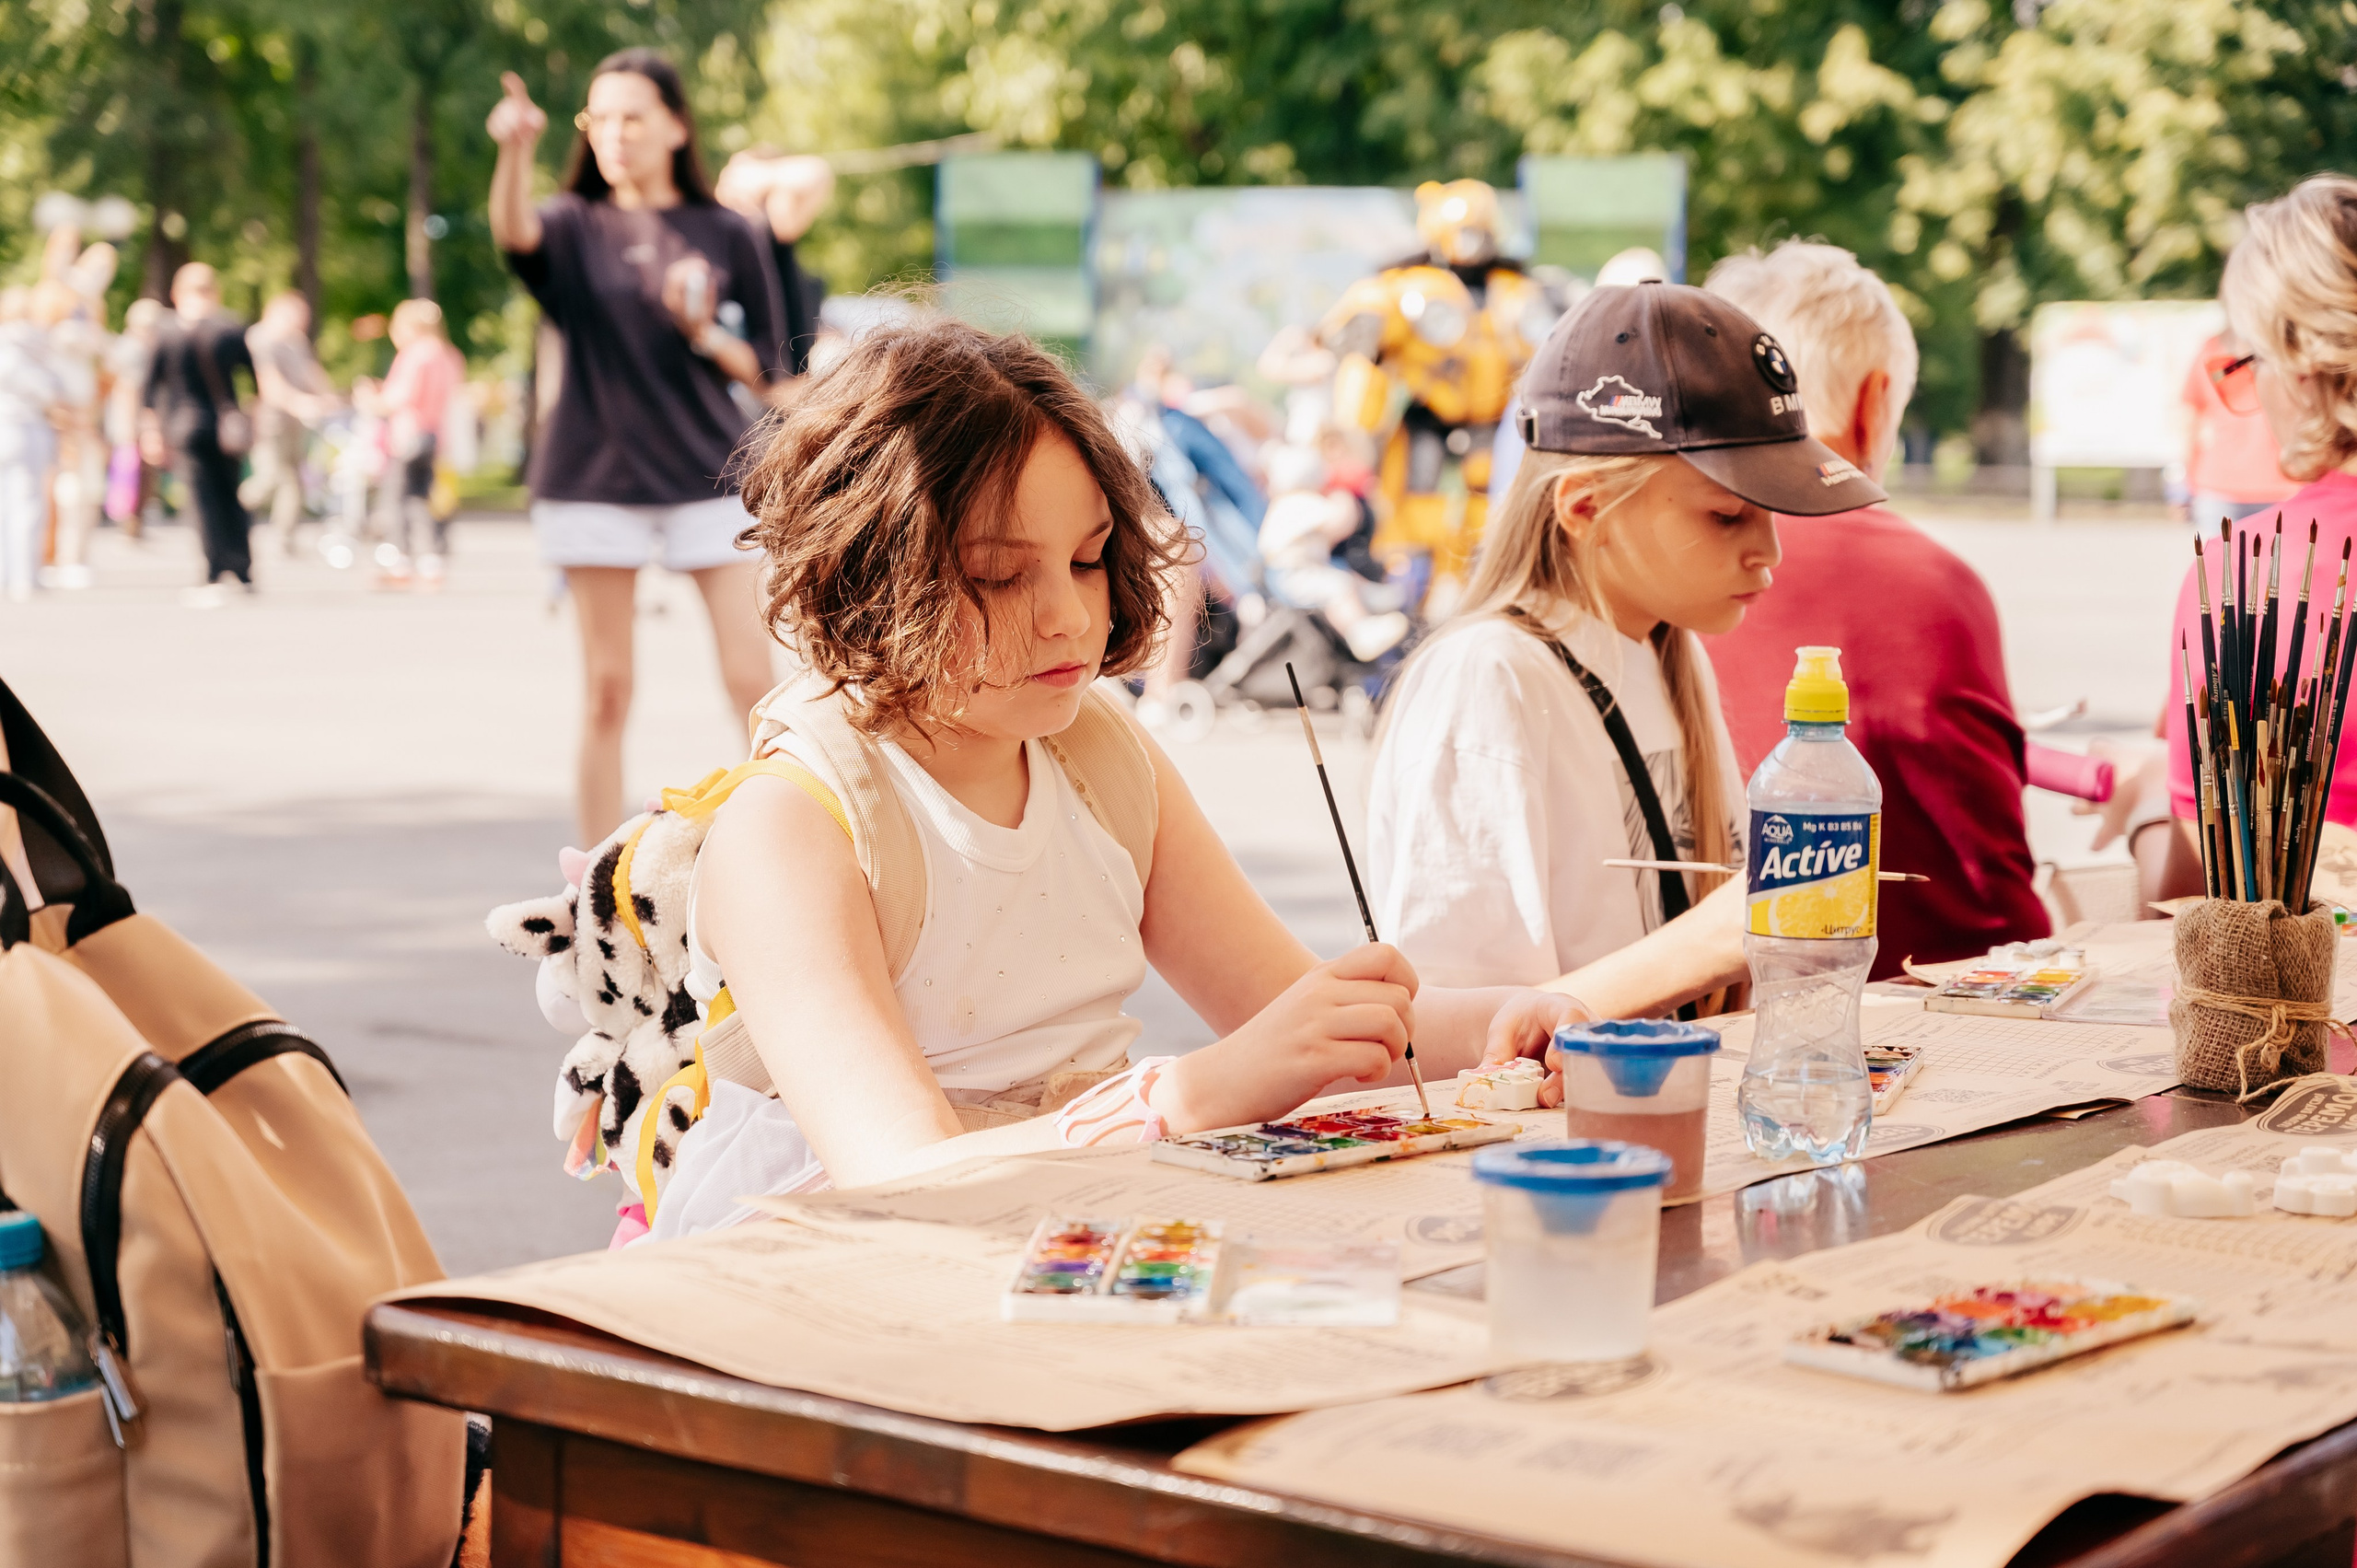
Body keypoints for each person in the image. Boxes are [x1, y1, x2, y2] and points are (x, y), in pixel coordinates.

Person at [640, 319, 1585, 1238]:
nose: (1067, 616)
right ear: (869, 573)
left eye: (1089, 558)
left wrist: (1502, 1021)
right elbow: (898, 1179)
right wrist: (1189, 1092)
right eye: (997, 574)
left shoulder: (1101, 751)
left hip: (1073, 1225)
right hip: (834, 1270)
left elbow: (1294, 1014)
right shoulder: (791, 825)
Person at [1365, 281, 1886, 1017]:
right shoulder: (1487, 679)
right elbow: (1450, 1042)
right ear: (1584, 507)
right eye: (1728, 514)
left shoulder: (1667, 646)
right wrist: (1715, 939)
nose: (1768, 552)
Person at [1701, 240, 2049, 974]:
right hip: (1933, 991)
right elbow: (1988, 889)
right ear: (1876, 400)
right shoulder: (1938, 583)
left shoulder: (1669, 575)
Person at [487, 53, 788, 845]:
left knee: (755, 682)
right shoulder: (570, 223)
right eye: (600, 120)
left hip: (709, 476)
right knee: (607, 690)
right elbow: (513, 232)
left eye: (633, 117)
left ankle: (783, 849)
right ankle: (588, 878)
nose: (614, 135)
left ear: (676, 126)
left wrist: (707, 334)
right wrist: (514, 149)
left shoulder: (727, 231)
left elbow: (770, 366)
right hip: (593, 479)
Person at [2165, 175, 2357, 853]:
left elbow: (2211, 882)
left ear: (2302, 364)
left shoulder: (2240, 574)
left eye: (2252, 362)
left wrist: (2140, 815)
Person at [141, 262, 257, 600]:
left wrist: (151, 431)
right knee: (231, 495)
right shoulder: (230, 328)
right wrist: (252, 420)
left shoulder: (166, 331)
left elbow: (148, 388)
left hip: (184, 425)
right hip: (226, 428)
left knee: (202, 500)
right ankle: (242, 567)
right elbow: (254, 379)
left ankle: (213, 569)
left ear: (177, 293)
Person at [1258, 444, 1410, 661]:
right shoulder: (1299, 502)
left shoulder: (1285, 503)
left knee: (1342, 574)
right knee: (1338, 587)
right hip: (1291, 575)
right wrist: (1344, 499)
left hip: (1293, 571)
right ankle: (1359, 632)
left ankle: (1372, 597)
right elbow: (1339, 521)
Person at [361, 297, 466, 587]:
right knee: (422, 498)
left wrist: (373, 400)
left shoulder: (414, 355)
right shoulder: (448, 355)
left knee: (397, 498)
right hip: (434, 434)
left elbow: (400, 397)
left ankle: (400, 561)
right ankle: (431, 559)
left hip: (408, 434)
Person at [714, 147, 833, 377]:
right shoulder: (713, 235)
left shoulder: (767, 230)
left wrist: (761, 177)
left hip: (780, 385)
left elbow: (818, 172)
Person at [243, 290, 339, 557]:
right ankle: (230, 509)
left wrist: (328, 397)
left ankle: (285, 536)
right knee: (269, 476)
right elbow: (270, 384)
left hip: (296, 421)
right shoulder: (261, 338)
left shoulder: (295, 340)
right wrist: (299, 403)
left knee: (293, 480)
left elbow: (310, 372)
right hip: (272, 419)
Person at [2181, 330, 2296, 534]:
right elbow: (2190, 416)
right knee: (2220, 563)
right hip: (2221, 488)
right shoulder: (2212, 348)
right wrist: (2184, 477)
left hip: (2286, 486)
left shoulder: (2293, 345)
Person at [0, 288, 63, 603]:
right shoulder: (35, 343)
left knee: (6, 504)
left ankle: (7, 572)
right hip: (27, 425)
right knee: (28, 502)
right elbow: (51, 388)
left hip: (7, 424)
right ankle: (25, 574)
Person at [103, 297, 163, 540]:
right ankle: (131, 521)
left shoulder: (125, 346)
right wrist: (136, 424)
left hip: (127, 416)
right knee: (136, 471)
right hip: (132, 417)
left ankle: (133, 521)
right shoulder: (135, 349)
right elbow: (129, 389)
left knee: (138, 470)